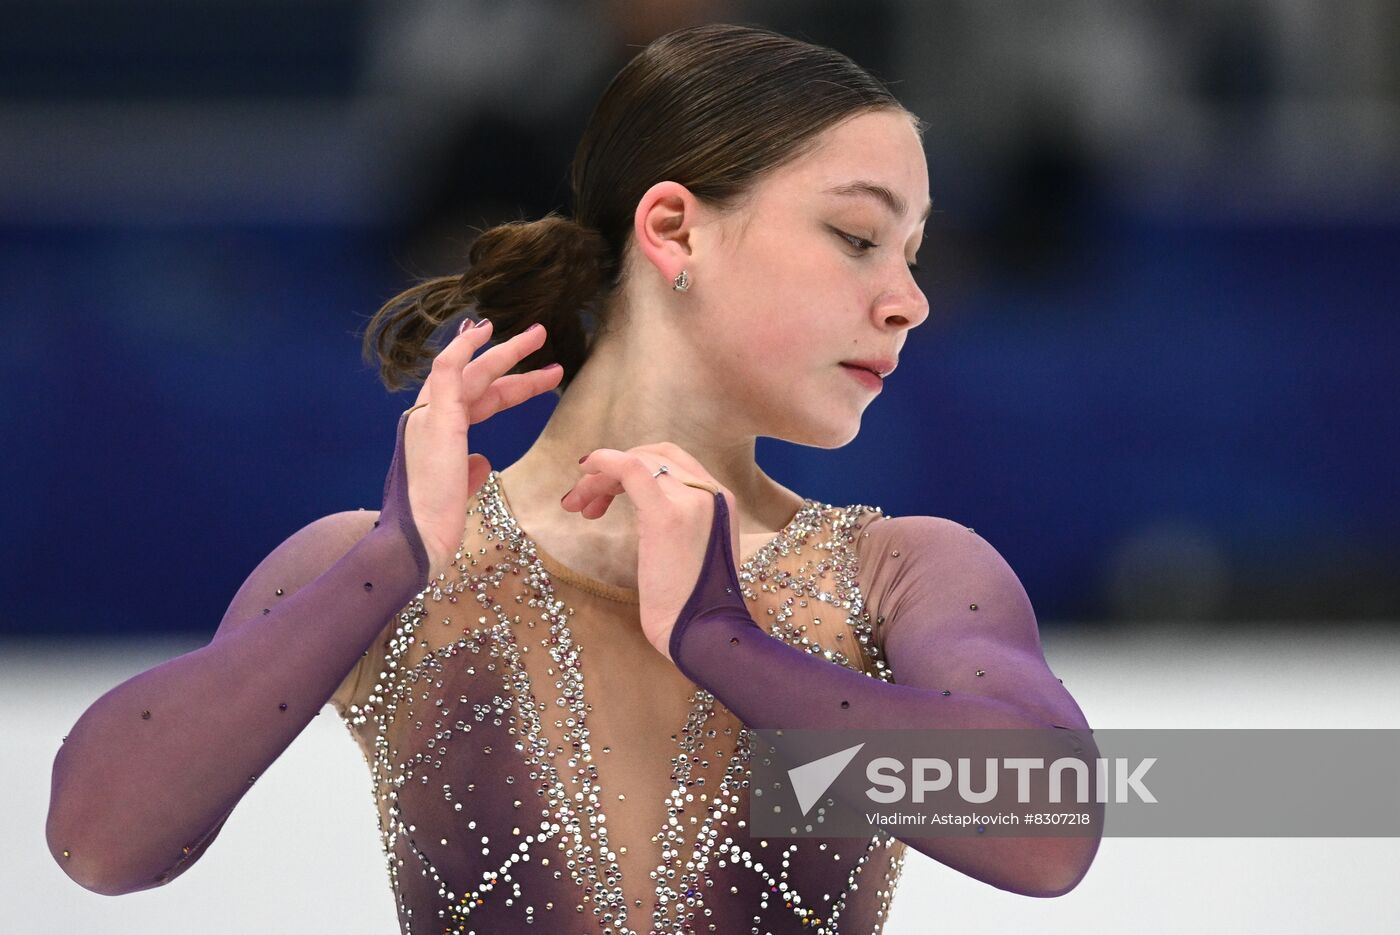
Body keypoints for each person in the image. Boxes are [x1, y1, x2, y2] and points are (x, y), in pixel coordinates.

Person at [46, 22, 1100, 934]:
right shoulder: (385, 570)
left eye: (913, 252)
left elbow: (1048, 825)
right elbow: (99, 841)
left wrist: (718, 639)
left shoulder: (896, 570)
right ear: (674, 228)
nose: (907, 299)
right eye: (859, 237)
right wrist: (385, 563)